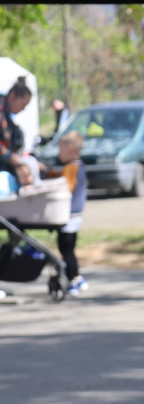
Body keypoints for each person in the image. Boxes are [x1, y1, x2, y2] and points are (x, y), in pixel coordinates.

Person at [41, 130, 89, 296]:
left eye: (60, 149)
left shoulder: (71, 167)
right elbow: (62, 175)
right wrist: (48, 172)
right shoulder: (77, 165)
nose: (58, 153)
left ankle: (74, 279)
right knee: (70, 250)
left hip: (68, 216)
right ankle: (77, 277)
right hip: (76, 216)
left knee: (66, 250)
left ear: (69, 148)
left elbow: (66, 184)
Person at [0, 79, 37, 186]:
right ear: (12, 96)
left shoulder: (7, 117)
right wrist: (9, 156)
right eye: (23, 104)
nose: (23, 109)